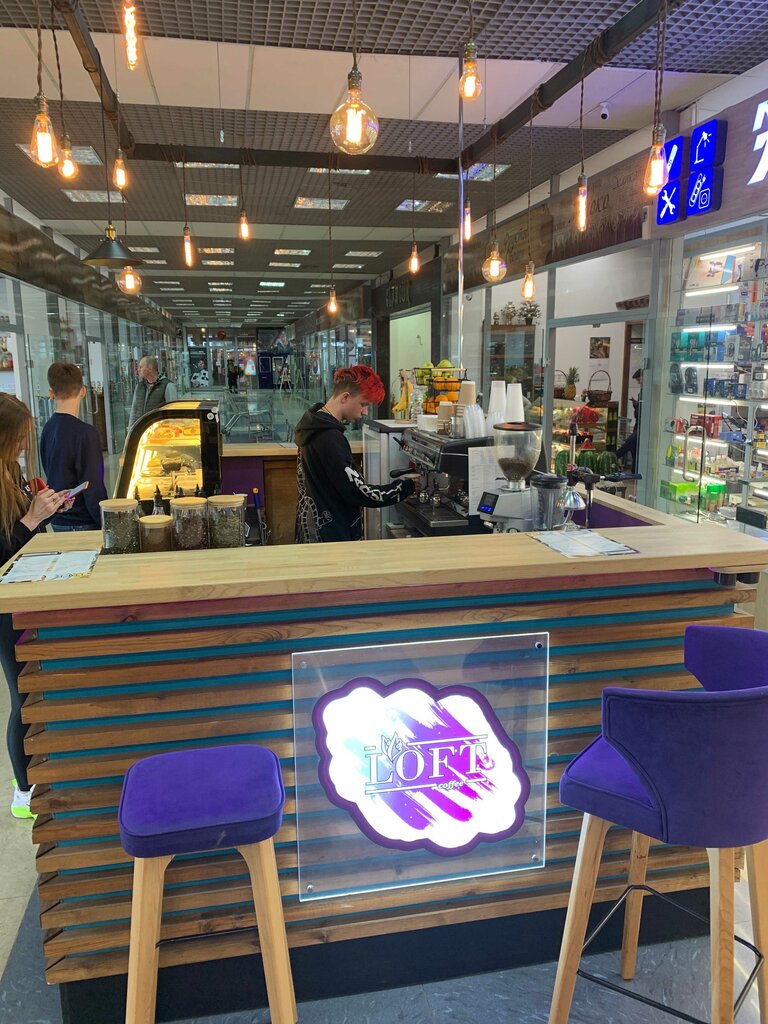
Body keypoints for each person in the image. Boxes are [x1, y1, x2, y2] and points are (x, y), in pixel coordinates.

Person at [0, 395, 72, 818]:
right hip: (6, 608)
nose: (24, 446)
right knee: (23, 695)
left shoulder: (10, 471)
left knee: (34, 688)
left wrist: (45, 508)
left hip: (27, 592)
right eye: (18, 438)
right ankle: (24, 791)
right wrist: (31, 520)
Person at [295, 366, 417, 543]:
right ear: (345, 397)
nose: (365, 412)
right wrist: (407, 486)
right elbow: (359, 492)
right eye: (364, 404)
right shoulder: (329, 437)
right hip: (331, 538)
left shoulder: (312, 426)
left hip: (312, 530)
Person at [39, 362, 107, 531]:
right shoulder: (86, 433)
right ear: (83, 391)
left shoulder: (47, 428)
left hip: (58, 517)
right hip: (83, 520)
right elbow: (92, 485)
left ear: (51, 394)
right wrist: (105, 521)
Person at [128, 356, 178, 430]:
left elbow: (173, 412)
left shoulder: (168, 386)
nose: (138, 369)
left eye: (141, 367)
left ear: (150, 368)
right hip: (140, 432)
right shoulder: (139, 387)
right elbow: (134, 410)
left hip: (159, 431)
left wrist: (170, 430)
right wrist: (130, 430)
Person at [617, 367, 643, 470]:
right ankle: (634, 470)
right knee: (633, 447)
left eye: (639, 380)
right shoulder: (641, 392)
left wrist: (637, 406)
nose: (638, 382)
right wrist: (636, 405)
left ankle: (614, 456)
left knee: (630, 442)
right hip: (638, 424)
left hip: (643, 426)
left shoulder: (647, 392)